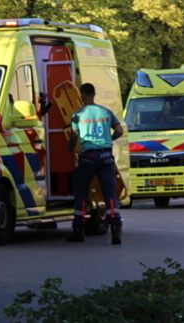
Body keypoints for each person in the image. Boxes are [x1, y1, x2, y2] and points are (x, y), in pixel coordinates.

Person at [66, 82, 124, 244]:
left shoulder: (78, 115)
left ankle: (78, 230)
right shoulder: (106, 111)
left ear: (82, 96)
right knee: (109, 194)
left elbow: (74, 137)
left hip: (88, 157)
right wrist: (108, 139)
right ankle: (116, 229)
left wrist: (70, 147)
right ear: (94, 94)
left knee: (81, 192)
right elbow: (119, 131)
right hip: (106, 157)